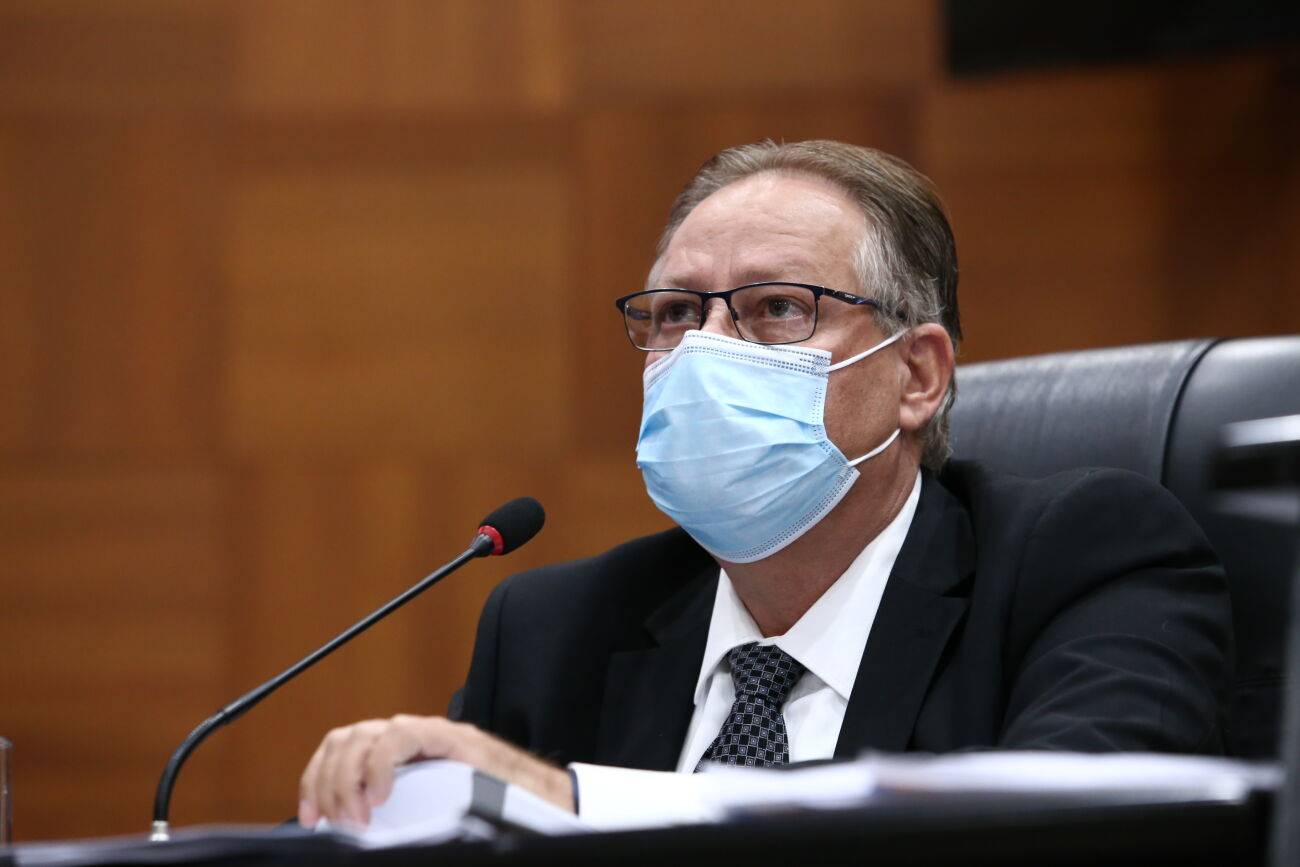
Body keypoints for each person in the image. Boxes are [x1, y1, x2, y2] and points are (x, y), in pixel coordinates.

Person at [297, 140, 1232, 830]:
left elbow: (1070, 835)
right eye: (676, 313)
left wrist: (572, 804)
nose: (704, 351)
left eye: (777, 307)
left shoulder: (1082, 562)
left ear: (917, 376)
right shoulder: (555, 630)